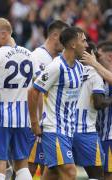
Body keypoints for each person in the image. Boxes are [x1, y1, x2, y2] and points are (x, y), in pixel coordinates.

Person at [28, 26, 88, 180]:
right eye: (83, 40)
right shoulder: (56, 66)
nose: (86, 45)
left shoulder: (80, 68)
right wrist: (35, 123)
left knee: (52, 174)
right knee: (70, 172)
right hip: (53, 128)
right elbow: (33, 91)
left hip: (68, 130)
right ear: (73, 44)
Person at [0, 17, 32, 180]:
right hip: (23, 117)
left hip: (0, 116)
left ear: (4, 34)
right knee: (22, 164)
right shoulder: (29, 54)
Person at [28, 20, 69, 177]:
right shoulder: (37, 57)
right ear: (55, 36)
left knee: (50, 170)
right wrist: (36, 122)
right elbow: (36, 92)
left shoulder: (59, 59)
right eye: (64, 38)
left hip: (51, 125)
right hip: (37, 124)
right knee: (30, 167)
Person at [72, 43, 108, 179]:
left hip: (67, 131)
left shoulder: (71, 72)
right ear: (91, 55)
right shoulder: (95, 75)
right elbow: (98, 103)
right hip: (86, 132)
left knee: (62, 173)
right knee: (97, 175)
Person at [94, 41, 112, 180]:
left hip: (110, 136)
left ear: (109, 57)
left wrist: (95, 63)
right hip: (99, 134)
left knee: (107, 174)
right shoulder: (99, 76)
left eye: (99, 56)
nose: (96, 59)